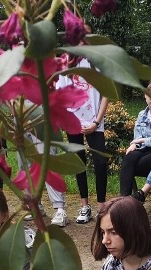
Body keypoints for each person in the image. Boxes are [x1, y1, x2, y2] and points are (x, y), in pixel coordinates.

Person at [58, 56, 109, 225]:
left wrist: (96, 122)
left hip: (94, 121)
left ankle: (102, 206)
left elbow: (106, 94)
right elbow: (60, 93)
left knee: (100, 162)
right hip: (74, 122)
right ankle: (84, 206)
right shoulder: (66, 62)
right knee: (79, 162)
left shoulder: (97, 62)